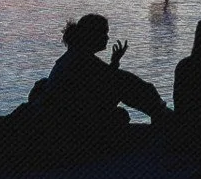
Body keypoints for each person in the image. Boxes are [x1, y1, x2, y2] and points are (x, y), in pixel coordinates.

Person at [35, 12, 168, 151]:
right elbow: (114, 81)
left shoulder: (77, 56)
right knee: (124, 94)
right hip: (71, 128)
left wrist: (114, 62)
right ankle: (162, 115)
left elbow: (105, 80)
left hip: (70, 120)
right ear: (91, 35)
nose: (107, 37)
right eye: (104, 33)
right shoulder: (81, 60)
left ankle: (160, 113)